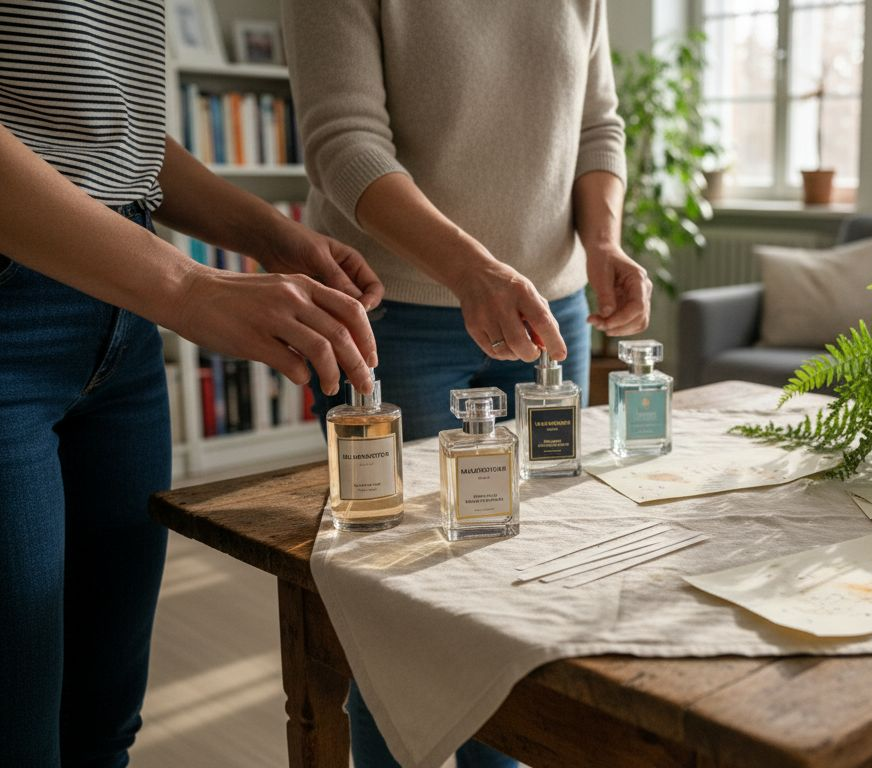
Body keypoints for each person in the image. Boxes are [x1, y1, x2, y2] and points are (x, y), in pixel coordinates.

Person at [0, 3, 382, 764]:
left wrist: (276, 239)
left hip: (121, 316)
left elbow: (115, 135)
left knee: (104, 724)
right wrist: (189, 288)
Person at [282, 1, 651, 765]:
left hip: (553, 309)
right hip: (396, 311)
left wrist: (604, 242)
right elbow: (343, 143)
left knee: (525, 581)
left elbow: (596, 126)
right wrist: (471, 271)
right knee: (397, 598)